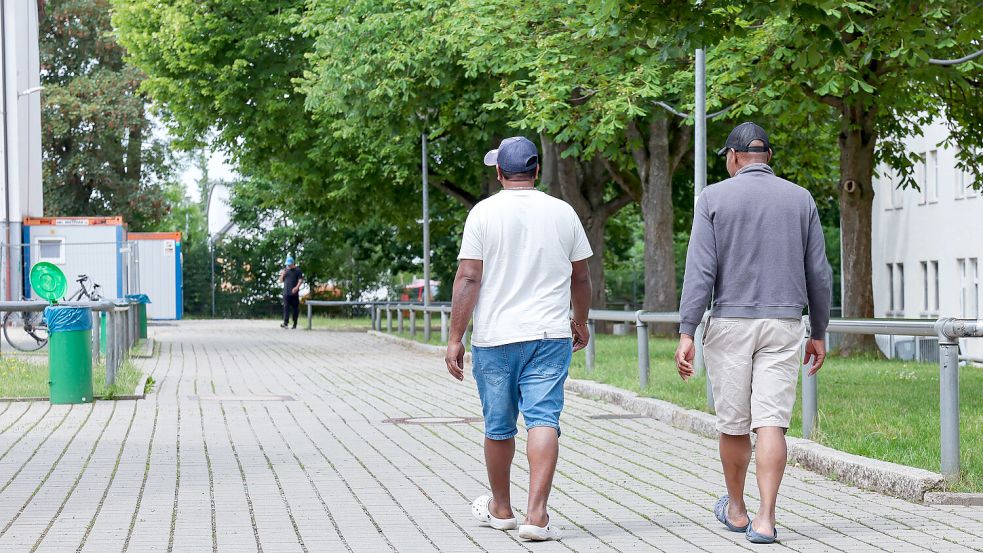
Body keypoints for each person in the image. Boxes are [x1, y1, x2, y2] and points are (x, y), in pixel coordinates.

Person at [675, 122, 831, 544]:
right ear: (768, 157)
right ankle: (766, 519)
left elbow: (700, 270)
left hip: (730, 323)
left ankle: (737, 509)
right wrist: (818, 330)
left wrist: (687, 330)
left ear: (734, 157)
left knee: (733, 424)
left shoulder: (712, 197)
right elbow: (819, 273)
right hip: (784, 324)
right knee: (771, 424)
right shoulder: (801, 199)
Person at [445, 136, 592, 542]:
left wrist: (456, 337)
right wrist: (580, 320)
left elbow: (469, 276)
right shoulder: (563, 212)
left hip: (495, 338)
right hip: (549, 334)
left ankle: (502, 509)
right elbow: (581, 277)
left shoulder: (483, 213)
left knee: (498, 425)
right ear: (537, 171)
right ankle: (537, 515)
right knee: (544, 419)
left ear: (499, 172)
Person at [279, 256, 303, 329]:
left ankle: (295, 323)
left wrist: (296, 287)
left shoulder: (298, 270)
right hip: (286, 292)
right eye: (287, 264)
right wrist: (282, 274)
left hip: (294, 293)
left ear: (293, 263)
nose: (288, 265)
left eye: (289, 264)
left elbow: (300, 280)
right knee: (286, 308)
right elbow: (280, 281)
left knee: (295, 309)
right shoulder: (285, 270)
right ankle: (285, 323)